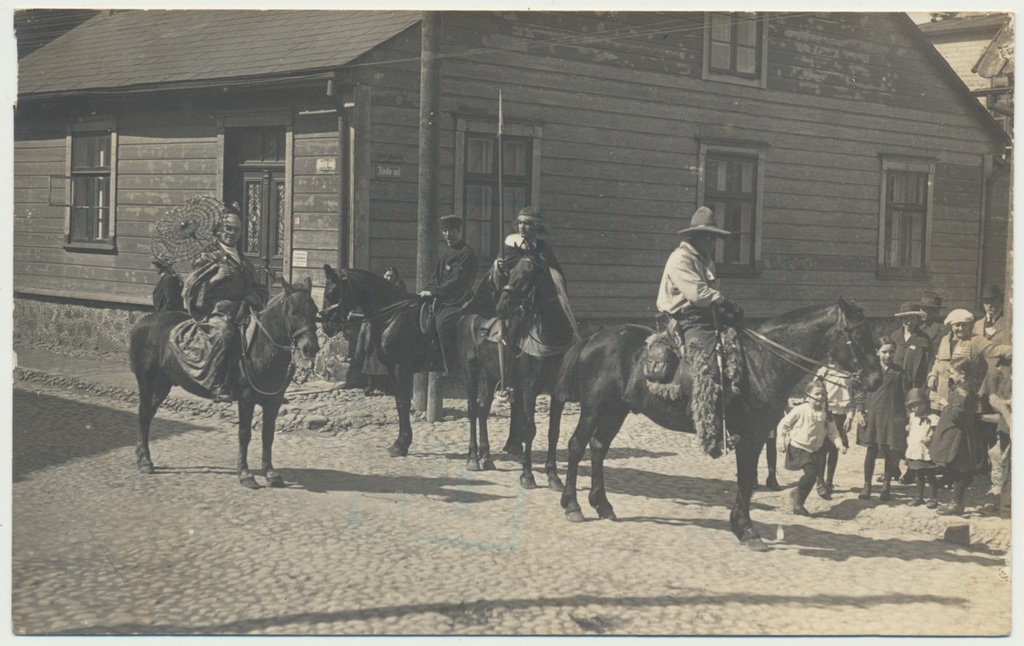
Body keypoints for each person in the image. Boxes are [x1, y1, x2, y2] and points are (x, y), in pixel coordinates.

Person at [656, 206, 743, 456]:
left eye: (715, 237)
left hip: (706, 315)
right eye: (709, 237)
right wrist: (724, 301)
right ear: (695, 237)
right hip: (688, 318)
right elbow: (697, 294)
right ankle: (709, 431)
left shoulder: (703, 259)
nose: (713, 242)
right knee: (708, 367)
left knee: (737, 349)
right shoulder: (681, 259)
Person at [181, 208, 269, 402]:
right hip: (215, 312)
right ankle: (218, 384)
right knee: (225, 332)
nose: (231, 233)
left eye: (236, 230)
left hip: (242, 309)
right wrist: (215, 279)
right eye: (227, 228)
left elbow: (255, 285)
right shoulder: (206, 256)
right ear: (219, 229)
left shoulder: (243, 259)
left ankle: (259, 382)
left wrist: (253, 296)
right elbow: (192, 289)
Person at [929, 357, 988, 516]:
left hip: (959, 436)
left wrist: (944, 403)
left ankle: (957, 503)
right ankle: (955, 502)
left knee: (960, 469)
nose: (950, 376)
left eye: (952, 373)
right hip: (959, 434)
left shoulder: (963, 390)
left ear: (962, 374)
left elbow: (956, 414)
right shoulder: (963, 388)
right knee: (957, 468)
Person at [420, 215, 477, 374]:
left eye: (451, 231)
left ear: (459, 231)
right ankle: (430, 360)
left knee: (442, 323)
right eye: (445, 231)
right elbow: (436, 277)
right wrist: (427, 289)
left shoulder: (466, 253)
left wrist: (434, 291)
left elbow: (456, 281)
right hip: (443, 297)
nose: (447, 235)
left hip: (459, 299)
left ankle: (452, 366)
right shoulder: (446, 252)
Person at [777, 381, 844, 515]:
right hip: (799, 447)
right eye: (817, 394)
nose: (820, 397)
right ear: (808, 396)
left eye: (823, 394)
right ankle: (798, 500)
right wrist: (781, 439)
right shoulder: (801, 409)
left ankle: (798, 501)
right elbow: (784, 424)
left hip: (815, 450)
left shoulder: (826, 413)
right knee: (811, 474)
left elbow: (833, 432)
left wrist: (839, 444)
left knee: (812, 477)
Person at [928, 308, 1012, 411]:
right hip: (941, 392)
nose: (961, 328)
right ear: (951, 326)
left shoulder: (976, 341)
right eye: (957, 325)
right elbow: (938, 360)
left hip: (962, 395)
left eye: (964, 325)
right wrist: (933, 375)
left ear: (969, 326)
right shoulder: (945, 339)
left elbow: (997, 350)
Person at [888, 301, 934, 484]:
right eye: (906, 318)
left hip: (915, 390)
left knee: (913, 431)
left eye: (912, 318)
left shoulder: (924, 339)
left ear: (917, 319)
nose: (909, 322)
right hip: (895, 389)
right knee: (894, 428)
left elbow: (930, 365)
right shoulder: (895, 337)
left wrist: (924, 390)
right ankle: (892, 467)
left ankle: (911, 469)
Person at [856, 338, 907, 502]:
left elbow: (903, 396)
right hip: (873, 416)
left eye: (891, 352)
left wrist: (904, 418)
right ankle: (867, 485)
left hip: (891, 417)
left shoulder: (899, 372)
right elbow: (860, 393)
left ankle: (887, 486)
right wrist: (859, 410)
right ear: (877, 352)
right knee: (871, 451)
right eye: (884, 352)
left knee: (889, 452)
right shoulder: (869, 371)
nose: (888, 355)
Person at [361, 266, 408, 395]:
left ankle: (387, 385)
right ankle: (371, 383)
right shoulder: (379, 286)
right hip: (379, 321)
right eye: (387, 275)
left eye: (391, 276)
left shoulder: (399, 288)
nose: (389, 278)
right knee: (370, 347)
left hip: (393, 322)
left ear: (396, 277)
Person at [814, 357, 853, 497]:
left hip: (840, 415)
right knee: (822, 450)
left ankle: (830, 481)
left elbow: (851, 397)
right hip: (826, 412)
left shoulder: (848, 374)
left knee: (835, 449)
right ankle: (820, 481)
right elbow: (814, 391)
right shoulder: (824, 372)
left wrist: (849, 416)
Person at [904, 388, 941, 508]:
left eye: (919, 405)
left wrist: (930, 438)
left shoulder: (933, 417)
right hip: (915, 450)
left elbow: (937, 433)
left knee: (930, 475)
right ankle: (919, 496)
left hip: (926, 451)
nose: (916, 408)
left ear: (926, 403)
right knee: (919, 474)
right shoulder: (913, 416)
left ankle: (933, 498)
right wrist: (908, 427)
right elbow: (912, 427)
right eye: (913, 406)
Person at [918, 291, 947, 356]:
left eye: (925, 308)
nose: (921, 312)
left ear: (936, 310)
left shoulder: (944, 329)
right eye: (921, 308)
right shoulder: (920, 328)